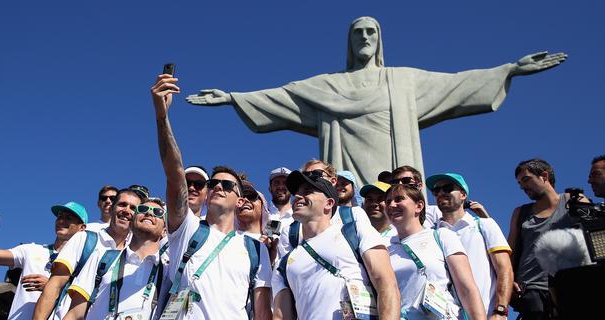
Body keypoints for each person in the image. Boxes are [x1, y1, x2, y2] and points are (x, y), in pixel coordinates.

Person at [186, 16, 566, 185]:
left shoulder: (402, 80)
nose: (365, 37)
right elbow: (283, 97)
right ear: (349, 43)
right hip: (346, 170)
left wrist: (509, 69)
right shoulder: (327, 85)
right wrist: (234, 98)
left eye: (371, 32)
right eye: (357, 33)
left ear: (379, 40)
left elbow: (457, 84)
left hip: (395, 168)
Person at [151, 72, 273, 320]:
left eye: (227, 185)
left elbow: (262, 313)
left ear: (240, 200)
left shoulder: (255, 249)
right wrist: (161, 117)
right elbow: (174, 172)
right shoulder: (188, 230)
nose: (218, 187)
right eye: (213, 184)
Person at [270, 170, 401, 320]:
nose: (298, 196)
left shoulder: (356, 231)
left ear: (329, 203)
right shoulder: (285, 263)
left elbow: (387, 284)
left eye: (308, 191)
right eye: (297, 192)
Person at [21, 189, 140, 320]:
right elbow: (54, 285)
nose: (127, 210)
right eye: (122, 204)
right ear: (112, 208)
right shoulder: (86, 238)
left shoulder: (133, 253)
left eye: (133, 208)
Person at [384, 183, 495, 320]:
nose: (391, 205)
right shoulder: (384, 248)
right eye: (388, 201)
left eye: (399, 199)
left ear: (419, 206)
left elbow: (467, 288)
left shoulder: (442, 236)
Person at [50, 198, 168, 320]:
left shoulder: (168, 273)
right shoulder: (102, 258)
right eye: (142, 209)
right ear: (132, 221)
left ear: (165, 231)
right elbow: (74, 315)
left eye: (158, 213)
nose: (149, 213)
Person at [426, 173, 514, 320]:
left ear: (463, 194)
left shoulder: (484, 225)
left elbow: (505, 270)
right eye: (436, 190)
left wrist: (500, 312)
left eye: (448, 188)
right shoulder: (431, 235)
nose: (441, 193)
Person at [507, 158, 587, 320]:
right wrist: (510, 281)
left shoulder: (573, 201)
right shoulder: (521, 212)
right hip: (532, 290)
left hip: (572, 288)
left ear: (544, 176)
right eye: (519, 183)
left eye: (526, 179)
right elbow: (511, 250)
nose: (523, 186)